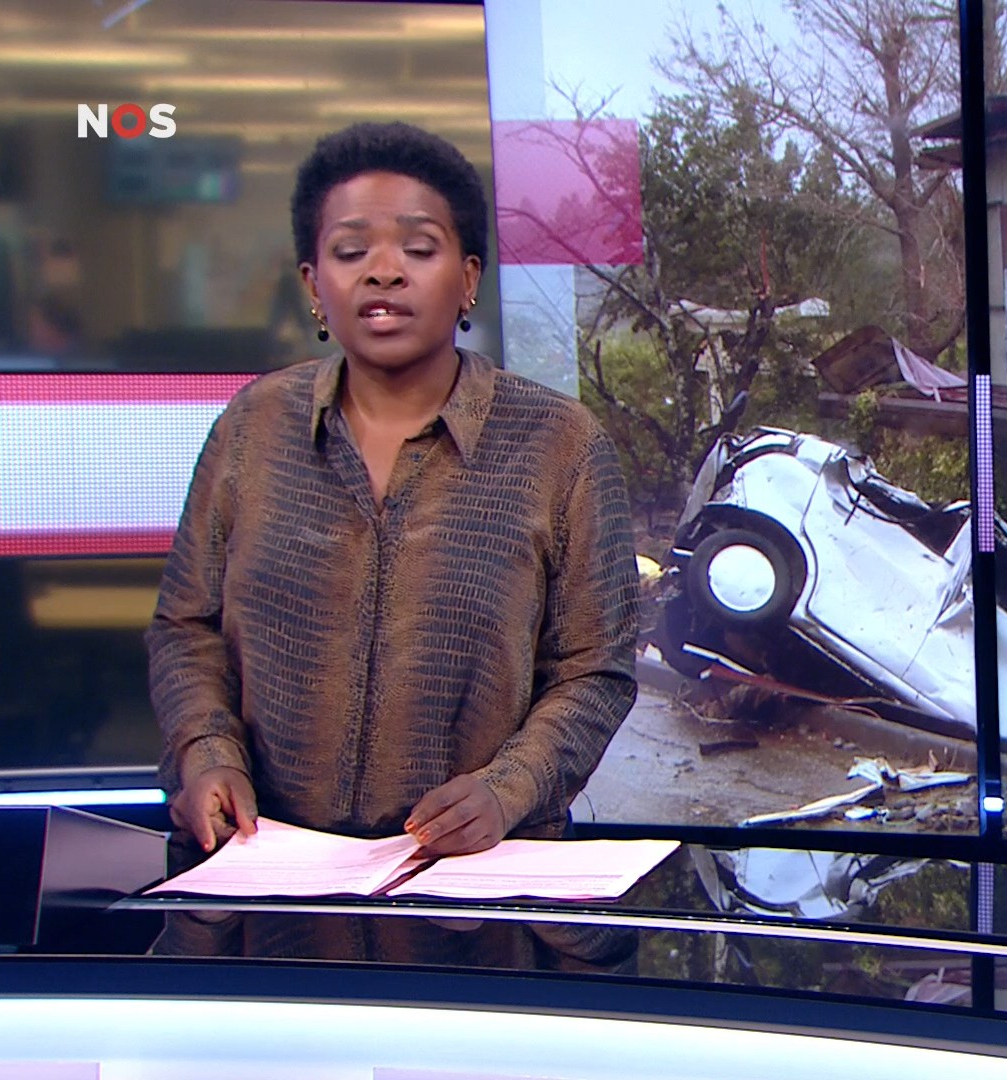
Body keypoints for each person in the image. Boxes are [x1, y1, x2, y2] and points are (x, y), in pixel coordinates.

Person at [146, 122, 641, 964]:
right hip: (268, 894)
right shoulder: (251, 429)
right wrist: (204, 756)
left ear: (468, 278)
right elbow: (186, 627)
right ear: (314, 285)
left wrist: (505, 790)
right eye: (351, 252)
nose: (383, 271)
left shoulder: (560, 445)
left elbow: (596, 668)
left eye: (418, 247)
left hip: (479, 907)